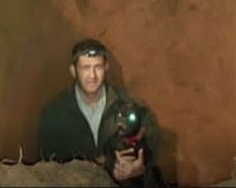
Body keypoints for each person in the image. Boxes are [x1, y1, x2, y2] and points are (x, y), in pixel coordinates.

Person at [37, 38, 161, 186]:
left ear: (106, 67)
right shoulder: (54, 115)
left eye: (98, 67)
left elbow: (151, 158)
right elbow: (46, 171)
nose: (92, 75)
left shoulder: (133, 107)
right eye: (85, 68)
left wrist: (139, 170)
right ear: (73, 71)